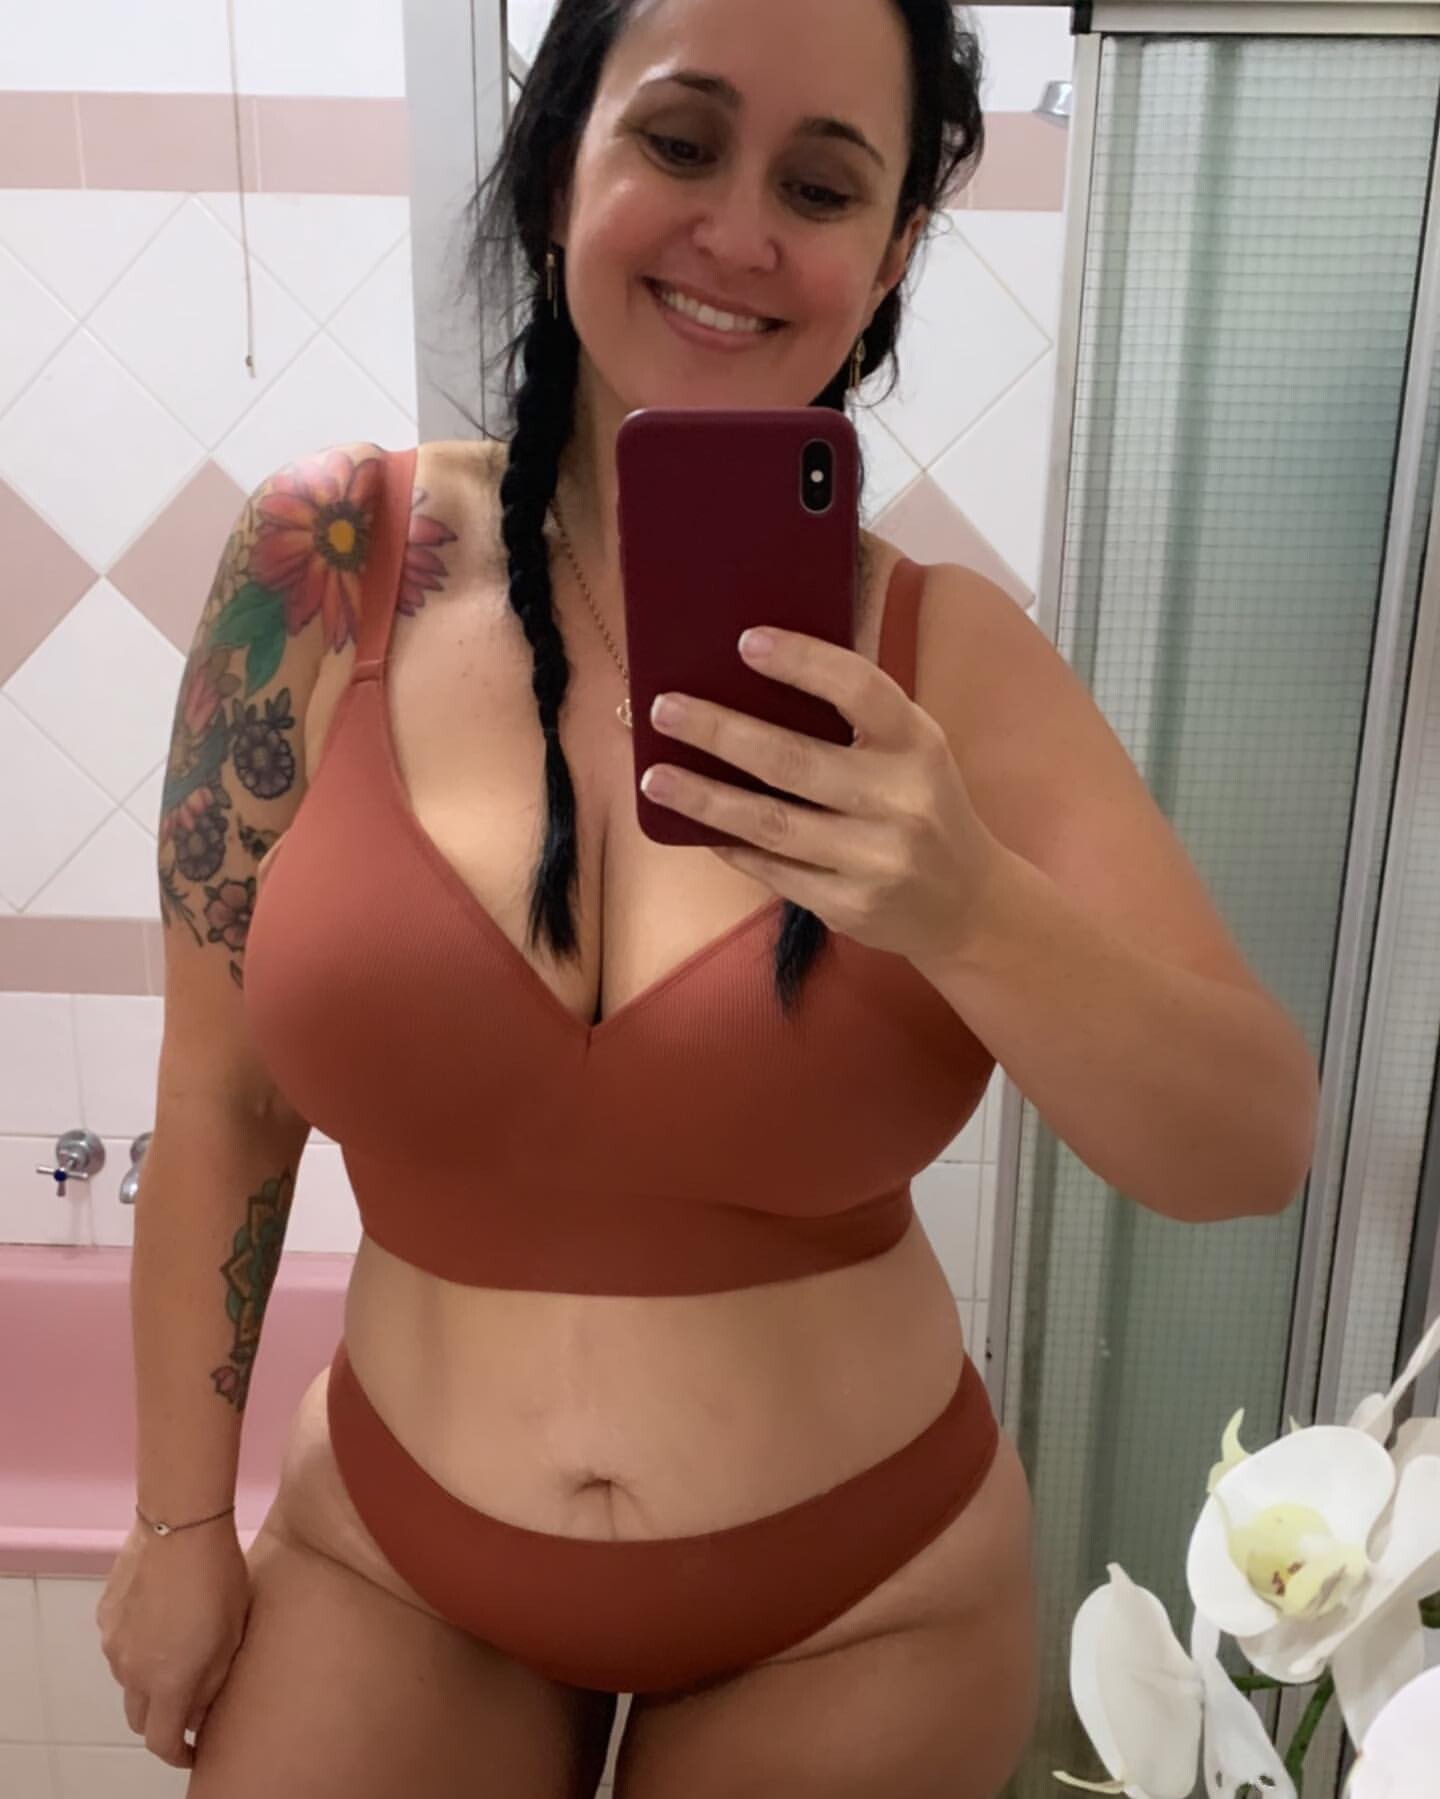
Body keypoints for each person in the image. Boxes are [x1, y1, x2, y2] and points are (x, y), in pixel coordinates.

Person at [96, 1, 1320, 1794]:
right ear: (557, 166)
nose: (739, 232)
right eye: (680, 143)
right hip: (394, 1567)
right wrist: (177, 1523)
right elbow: (219, 1094)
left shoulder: (951, 661)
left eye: (820, 187)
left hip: (861, 1605)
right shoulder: (325, 564)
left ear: (887, 256)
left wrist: (969, 908)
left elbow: (1250, 1147)